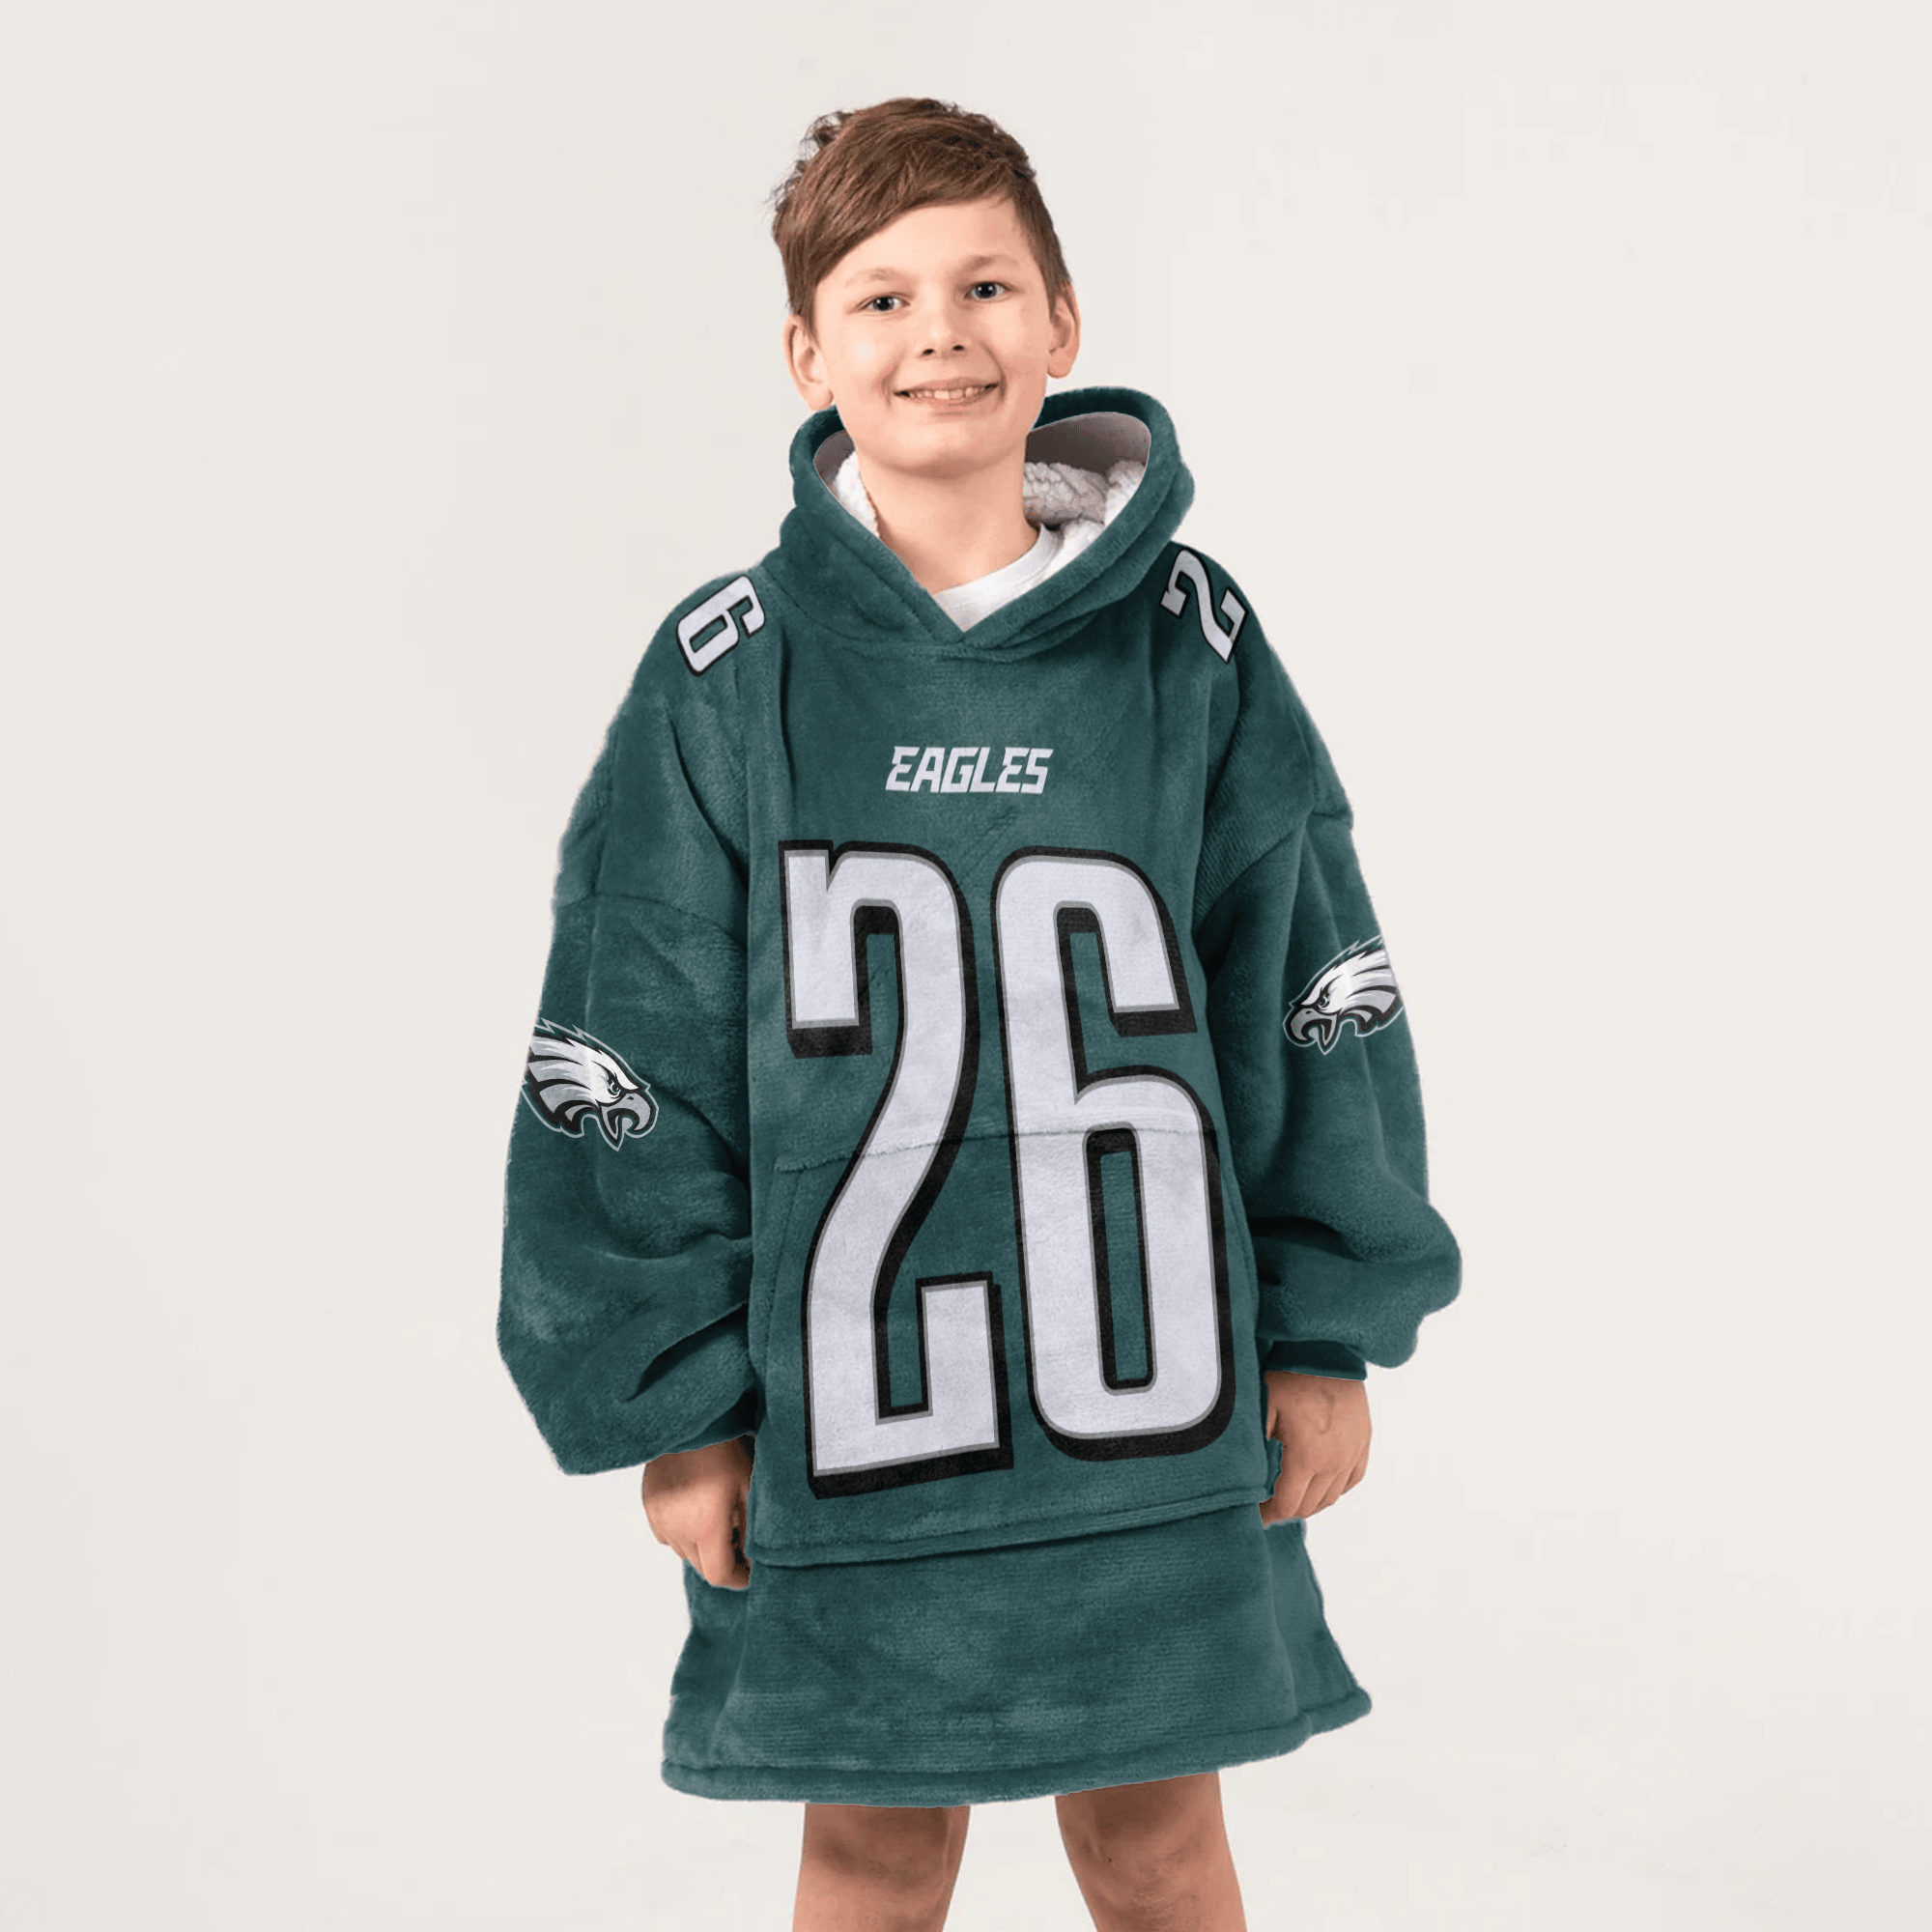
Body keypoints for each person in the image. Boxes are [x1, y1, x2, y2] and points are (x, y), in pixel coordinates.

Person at [497, 96, 1462, 1932]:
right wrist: (678, 1406)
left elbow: (1302, 973)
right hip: (853, 1432)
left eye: (985, 285)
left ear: (1063, 321)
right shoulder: (729, 673)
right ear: (808, 355)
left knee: (1157, 1841)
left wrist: (1329, 1324)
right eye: (881, 299)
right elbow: (634, 1032)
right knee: (873, 1853)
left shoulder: (1187, 641)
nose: (937, 332)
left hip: (1153, 1407)